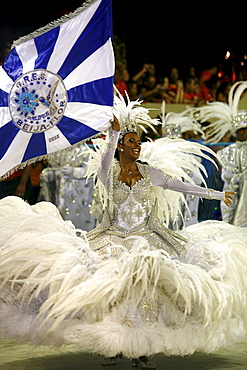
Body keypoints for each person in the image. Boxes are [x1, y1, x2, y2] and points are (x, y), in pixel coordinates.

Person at [0, 91, 246, 370]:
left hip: (148, 236)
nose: (137, 146)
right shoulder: (111, 173)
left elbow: (181, 186)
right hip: (112, 238)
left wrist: (216, 193)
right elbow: (105, 160)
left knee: (148, 290)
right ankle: (112, 344)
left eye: (138, 141)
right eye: (132, 142)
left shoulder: (149, 172)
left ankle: (143, 346)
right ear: (121, 147)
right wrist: (115, 134)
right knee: (109, 289)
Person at [191, 81, 247, 226]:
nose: (244, 133)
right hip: (233, 194)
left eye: (246, 129)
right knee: (232, 223)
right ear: (236, 131)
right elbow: (227, 179)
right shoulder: (228, 151)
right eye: (241, 130)